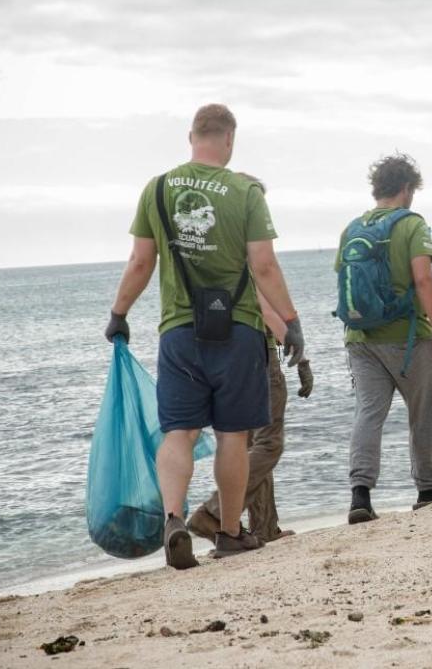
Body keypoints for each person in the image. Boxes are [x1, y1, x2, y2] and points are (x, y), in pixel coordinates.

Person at [105, 104, 305, 569]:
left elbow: (140, 262)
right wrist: (292, 322)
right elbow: (264, 266)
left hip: (179, 331)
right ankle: (231, 532)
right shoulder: (246, 191)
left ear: (190, 136)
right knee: (234, 436)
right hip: (236, 332)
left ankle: (173, 518)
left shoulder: (157, 189)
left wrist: (118, 313)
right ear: (230, 140)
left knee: (179, 432)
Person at [334, 153, 432, 524]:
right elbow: (423, 279)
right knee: (421, 413)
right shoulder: (411, 225)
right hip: (408, 339)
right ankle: (427, 488)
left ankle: (360, 496)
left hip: (359, 338)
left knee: (368, 414)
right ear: (407, 188)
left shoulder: (352, 227)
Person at [188, 176, 313, 544]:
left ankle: (264, 527)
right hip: (254, 351)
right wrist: (296, 348)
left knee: (246, 444)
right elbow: (259, 302)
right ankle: (212, 513)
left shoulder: (209, 246)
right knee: (269, 442)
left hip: (217, 352)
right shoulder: (246, 250)